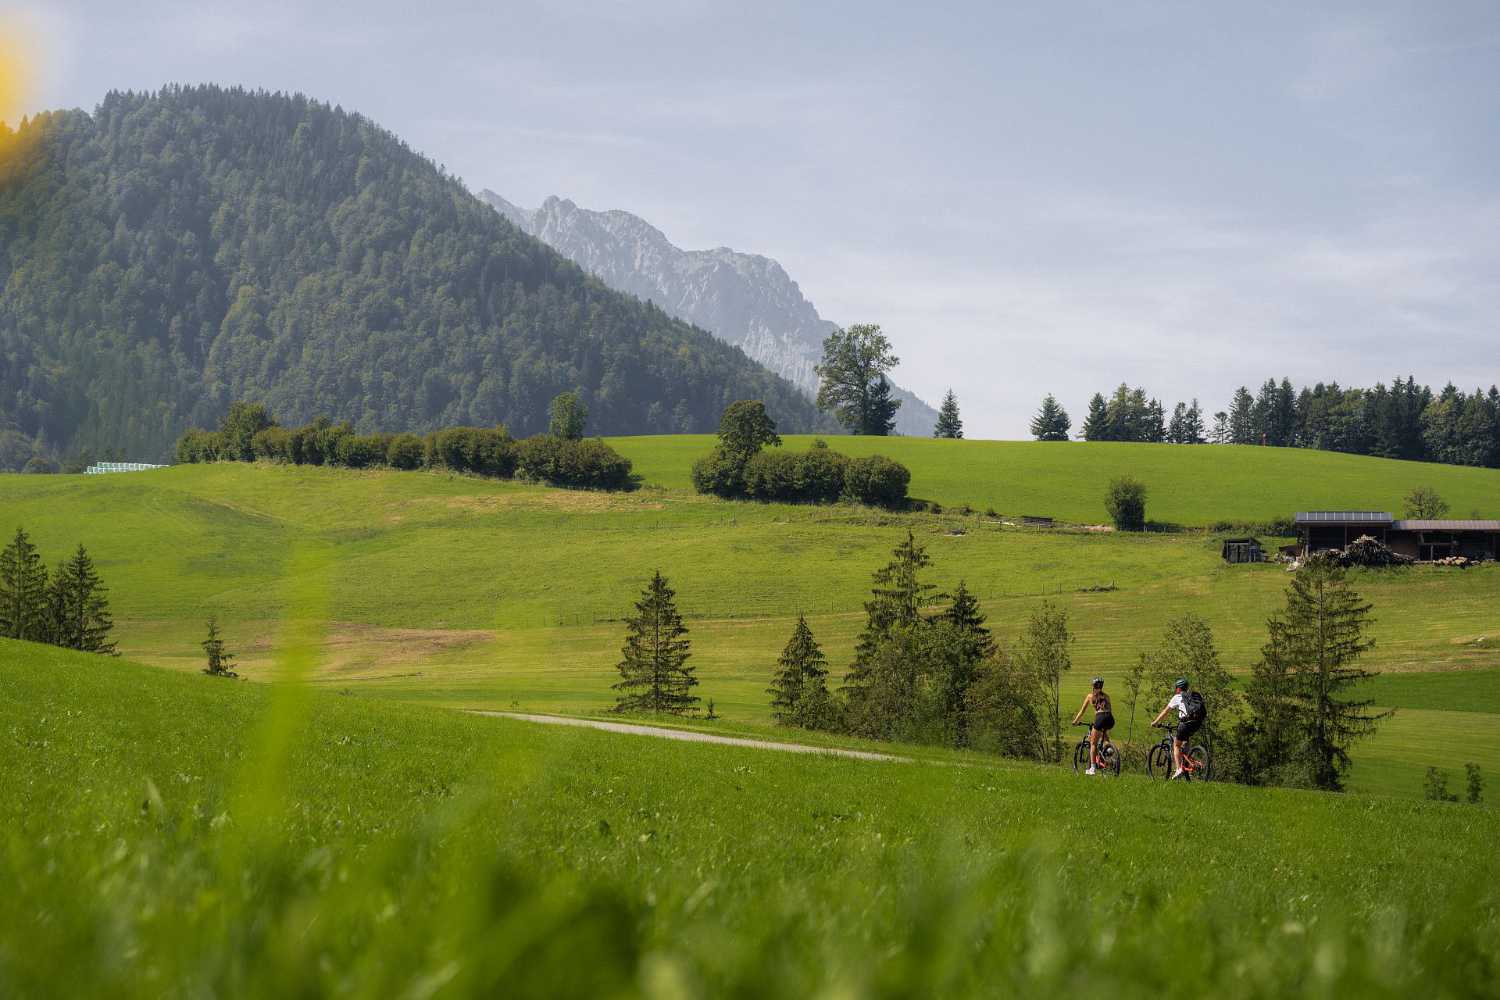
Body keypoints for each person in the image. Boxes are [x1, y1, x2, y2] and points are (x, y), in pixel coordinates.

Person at [1150, 677, 1206, 779]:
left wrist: (1155, 722)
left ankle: (1178, 769)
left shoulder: (1177, 697)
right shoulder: (1192, 696)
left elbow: (1165, 712)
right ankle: (1191, 764)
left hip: (1184, 724)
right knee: (1184, 744)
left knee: (1176, 745)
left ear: (1178, 688)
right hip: (1196, 723)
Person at [1070, 676, 1115, 775]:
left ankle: (1092, 768)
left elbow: (1082, 712)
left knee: (1093, 743)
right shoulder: (1107, 696)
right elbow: (1109, 710)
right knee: (1104, 737)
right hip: (1110, 719)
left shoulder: (1090, 696)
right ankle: (1109, 750)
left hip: (1100, 718)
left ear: (1093, 686)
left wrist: (1075, 721)